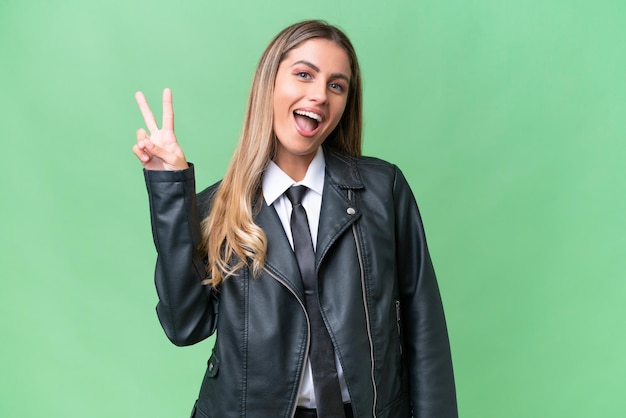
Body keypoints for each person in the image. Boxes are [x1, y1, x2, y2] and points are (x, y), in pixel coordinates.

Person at [133, 20, 457, 418]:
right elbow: (184, 327)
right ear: (269, 83)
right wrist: (170, 190)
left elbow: (424, 326)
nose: (320, 95)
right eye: (304, 74)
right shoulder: (216, 208)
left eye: (336, 85)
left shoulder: (382, 190)